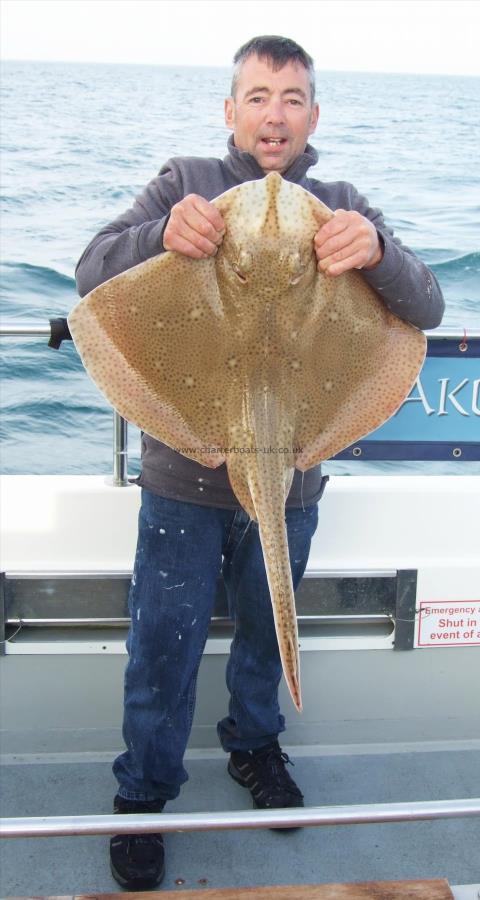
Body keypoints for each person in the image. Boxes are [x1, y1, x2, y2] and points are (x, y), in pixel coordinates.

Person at [76, 35, 444, 891]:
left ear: (314, 115)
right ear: (231, 110)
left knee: (262, 628)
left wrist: (378, 256)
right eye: (257, 95)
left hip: (295, 466)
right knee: (162, 640)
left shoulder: (342, 202)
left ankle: (256, 747)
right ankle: (142, 792)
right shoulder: (183, 184)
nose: (273, 113)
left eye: (292, 97)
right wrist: (160, 236)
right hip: (182, 474)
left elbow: (425, 304)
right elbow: (93, 271)